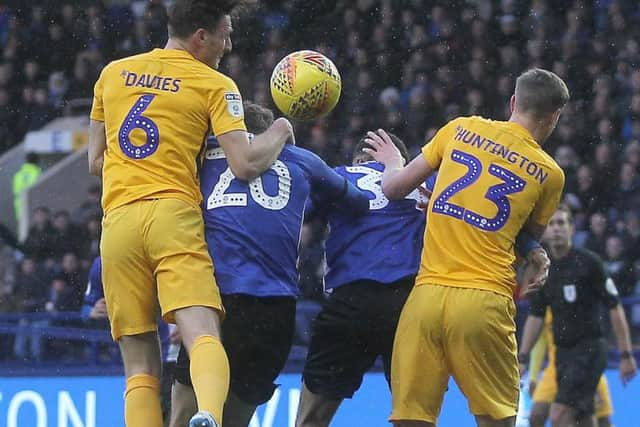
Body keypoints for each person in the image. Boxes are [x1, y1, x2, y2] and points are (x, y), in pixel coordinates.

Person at [87, 1, 295, 426]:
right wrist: (280, 130)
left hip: (119, 224)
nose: (228, 43)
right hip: (173, 216)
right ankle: (207, 414)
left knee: (141, 366)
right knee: (202, 333)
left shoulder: (112, 73)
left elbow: (95, 159)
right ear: (202, 36)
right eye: (226, 33)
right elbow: (244, 163)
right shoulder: (215, 83)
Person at [296, 134, 547, 427]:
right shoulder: (434, 182)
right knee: (414, 418)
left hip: (352, 301)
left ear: (356, 161)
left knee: (312, 419)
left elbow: (294, 215)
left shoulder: (339, 177)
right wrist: (532, 248)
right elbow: (488, 216)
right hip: (410, 305)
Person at [364, 68, 569, 427]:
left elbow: (394, 188)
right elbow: (523, 236)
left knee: (411, 420)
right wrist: (537, 253)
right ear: (554, 117)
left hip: (425, 299)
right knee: (496, 422)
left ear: (513, 102)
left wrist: (393, 161)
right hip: (483, 302)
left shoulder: (460, 128)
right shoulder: (549, 173)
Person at [169, 102, 369, 427]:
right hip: (274, 311)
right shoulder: (305, 160)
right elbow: (359, 202)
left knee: (183, 418)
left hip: (220, 303)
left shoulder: (202, 154)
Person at [519, 206, 637, 427]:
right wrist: (523, 357)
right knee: (584, 418)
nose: (556, 229)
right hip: (562, 356)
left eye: (562, 223)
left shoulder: (590, 263)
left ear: (572, 229)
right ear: (545, 231)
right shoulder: (545, 270)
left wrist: (625, 354)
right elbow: (536, 316)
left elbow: (615, 306)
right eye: (551, 224)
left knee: (559, 416)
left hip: (589, 350)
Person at [81, 256, 178, 427]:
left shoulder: (168, 250)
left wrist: (186, 321)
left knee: (174, 413)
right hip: (138, 355)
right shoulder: (104, 261)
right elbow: (86, 307)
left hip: (174, 355)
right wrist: (91, 311)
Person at [527, 310, 614, 427]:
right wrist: (533, 376)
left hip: (585, 368)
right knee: (536, 416)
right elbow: (541, 339)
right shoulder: (545, 302)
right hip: (555, 370)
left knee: (601, 421)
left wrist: (594, 386)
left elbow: (594, 343)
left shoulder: (581, 302)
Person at [12, 152, 41, 222]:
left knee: (23, 230)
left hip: (20, 206)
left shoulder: (18, 175)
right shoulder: (38, 173)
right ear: (37, 161)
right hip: (34, 207)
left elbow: (15, 192)